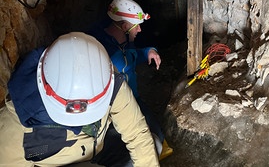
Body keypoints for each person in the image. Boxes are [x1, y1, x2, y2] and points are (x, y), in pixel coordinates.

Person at [0, 32, 160, 167]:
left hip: (95, 147)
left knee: (152, 147)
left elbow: (137, 134)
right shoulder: (12, 134)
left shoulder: (105, 79)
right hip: (62, 162)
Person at [89, 0, 173, 160]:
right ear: (125, 26)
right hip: (110, 109)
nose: (140, 30)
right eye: (137, 26)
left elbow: (131, 56)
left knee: (160, 142)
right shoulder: (100, 51)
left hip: (134, 100)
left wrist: (148, 51)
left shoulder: (125, 43)